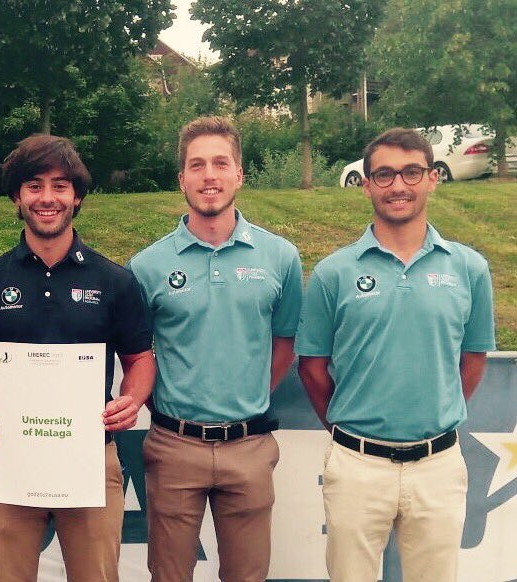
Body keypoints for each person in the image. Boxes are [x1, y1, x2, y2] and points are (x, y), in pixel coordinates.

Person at [0, 134, 156, 582]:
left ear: (76, 196)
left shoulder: (114, 281)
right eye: (34, 185)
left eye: (60, 186)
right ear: (16, 197)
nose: (47, 198)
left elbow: (140, 359)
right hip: (11, 457)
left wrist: (132, 400)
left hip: (91, 457)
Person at [296, 128, 496, 582]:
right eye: (384, 175)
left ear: (432, 178)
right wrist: (350, 427)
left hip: (438, 466)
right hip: (357, 465)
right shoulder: (333, 272)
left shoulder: (469, 268)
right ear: (366, 185)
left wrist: (436, 412)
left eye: (411, 173)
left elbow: (474, 358)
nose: (398, 186)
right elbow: (311, 367)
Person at [127, 115, 303, 582]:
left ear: (239, 174)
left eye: (221, 164)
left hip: (249, 446)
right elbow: (136, 356)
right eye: (197, 165)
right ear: (181, 178)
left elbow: (284, 343)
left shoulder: (281, 257)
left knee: (248, 576)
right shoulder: (146, 266)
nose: (210, 176)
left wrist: (246, 397)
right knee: (169, 575)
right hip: (173, 446)